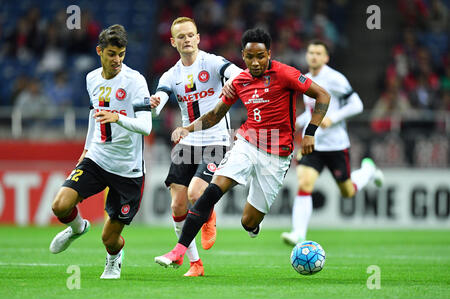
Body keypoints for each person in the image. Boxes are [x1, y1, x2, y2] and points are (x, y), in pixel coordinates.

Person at [154, 27, 330, 269]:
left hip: (277, 156)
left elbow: (323, 95)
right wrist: (188, 129)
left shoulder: (285, 73)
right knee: (211, 191)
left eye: (260, 56)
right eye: (250, 57)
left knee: (248, 221)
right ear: (243, 56)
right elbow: (216, 114)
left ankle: (252, 226)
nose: (255, 62)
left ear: (269, 53)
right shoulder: (239, 81)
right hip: (246, 144)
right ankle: (179, 251)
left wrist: (310, 132)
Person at [49, 24, 152, 279]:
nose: (117, 60)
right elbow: (95, 115)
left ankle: (114, 258)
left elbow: (146, 127)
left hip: (128, 170)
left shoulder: (135, 81)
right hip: (97, 158)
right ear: (99, 51)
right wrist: (86, 149)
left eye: (121, 54)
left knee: (109, 238)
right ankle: (77, 228)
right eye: (111, 54)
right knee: (60, 205)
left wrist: (117, 118)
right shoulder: (91, 78)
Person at [150, 17, 243, 277]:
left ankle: (208, 212)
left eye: (191, 35)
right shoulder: (171, 75)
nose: (187, 40)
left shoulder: (212, 62)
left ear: (198, 37)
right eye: (181, 36)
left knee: (196, 194)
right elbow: (161, 99)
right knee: (177, 206)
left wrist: (232, 82)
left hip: (216, 139)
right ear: (173, 42)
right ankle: (195, 263)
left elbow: (238, 74)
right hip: (188, 141)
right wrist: (154, 103)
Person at [281, 40, 385, 246]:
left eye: (319, 53)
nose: (314, 56)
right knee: (304, 182)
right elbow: (312, 113)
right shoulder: (306, 80)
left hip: (336, 144)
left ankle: (368, 171)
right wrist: (297, 123)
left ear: (326, 58)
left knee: (347, 191)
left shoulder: (336, 79)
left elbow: (357, 104)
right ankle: (298, 233)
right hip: (314, 144)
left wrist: (333, 118)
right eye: (311, 52)